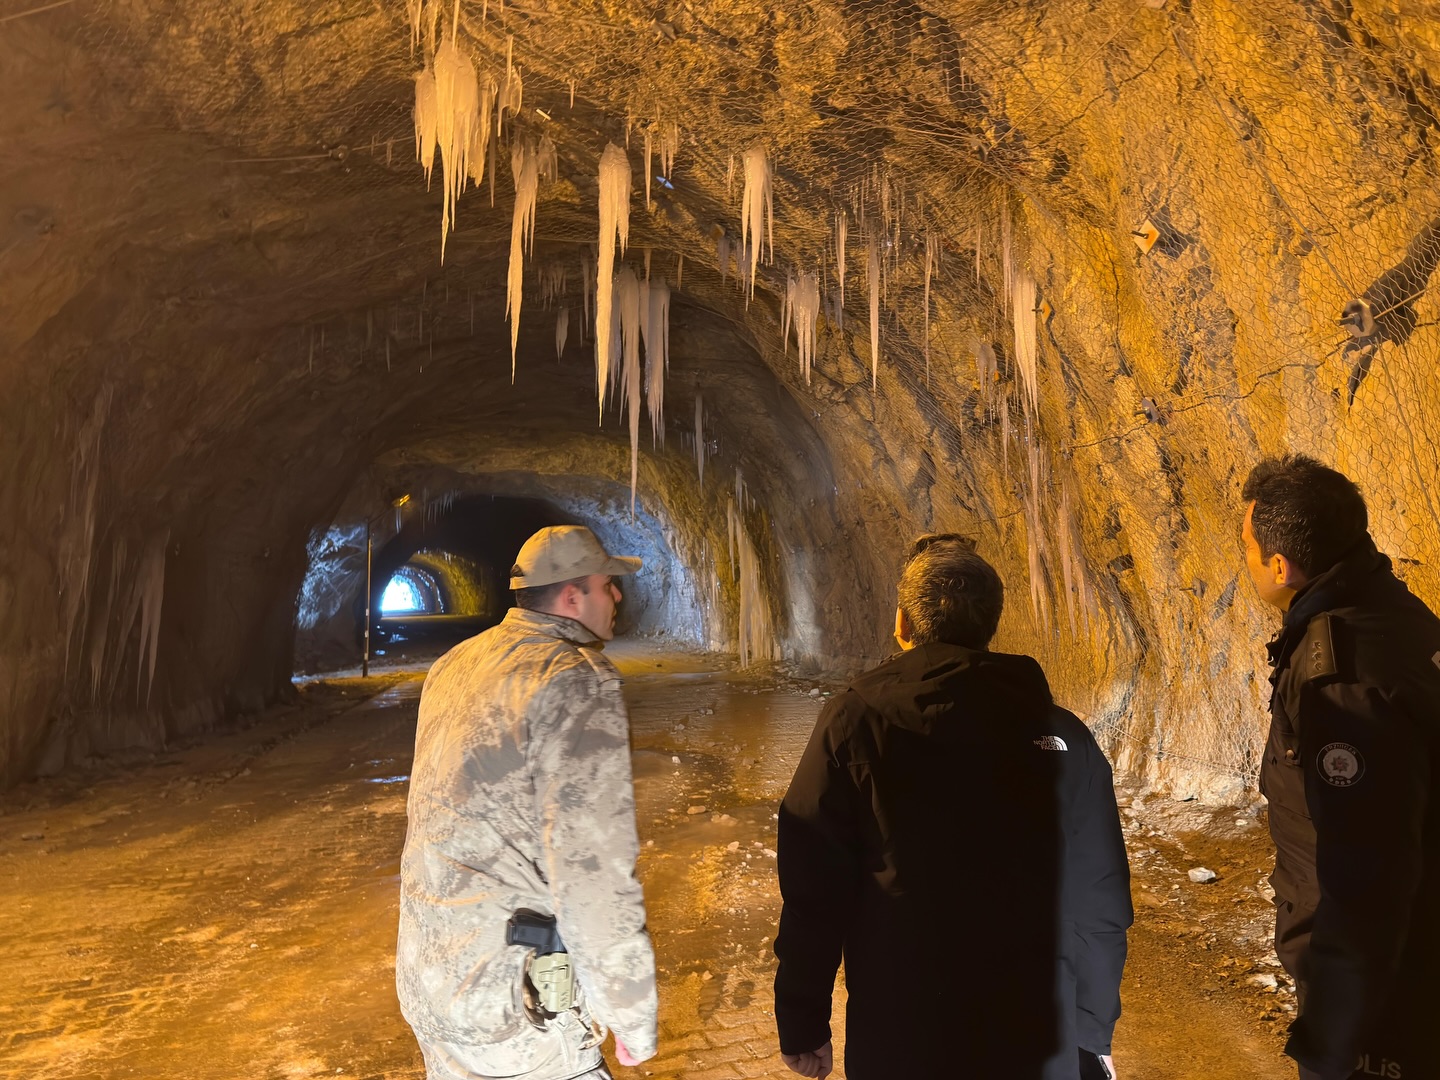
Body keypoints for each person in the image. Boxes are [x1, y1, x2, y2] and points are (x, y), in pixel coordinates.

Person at [773, 534, 1131, 1080]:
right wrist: (1090, 1028)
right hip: (1033, 1031)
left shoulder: (854, 724)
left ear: (903, 625)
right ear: (991, 625)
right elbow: (1098, 896)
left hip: (903, 1031)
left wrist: (804, 1020)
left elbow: (814, 892)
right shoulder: (1063, 736)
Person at [396, 525, 658, 1080]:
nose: (616, 598)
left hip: (432, 980)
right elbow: (594, 871)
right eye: (607, 585)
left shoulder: (454, 665)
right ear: (572, 596)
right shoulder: (573, 680)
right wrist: (630, 1015)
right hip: (517, 1005)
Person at [1241, 455, 1440, 1080]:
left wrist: (1337, 1019)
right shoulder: (1400, 617)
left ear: (1282, 564)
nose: (1245, 563)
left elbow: (1367, 861)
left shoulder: (1341, 672)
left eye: (1246, 549)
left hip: (1388, 992)